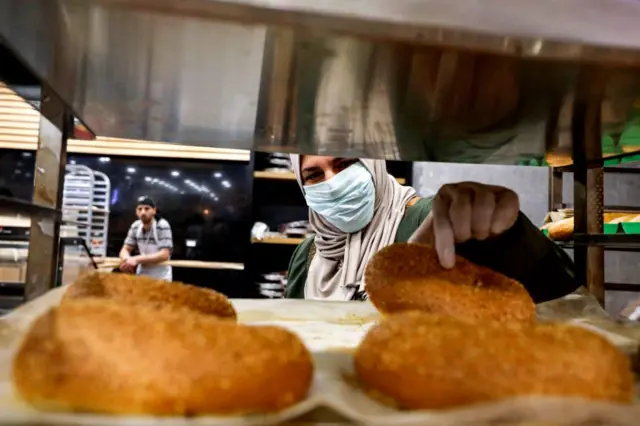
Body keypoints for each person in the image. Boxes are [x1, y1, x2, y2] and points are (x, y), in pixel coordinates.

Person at [285, 155, 578, 302]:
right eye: (313, 175)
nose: (333, 181)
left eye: (345, 163)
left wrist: (508, 234)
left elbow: (553, 292)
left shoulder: (429, 219)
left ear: (372, 162)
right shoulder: (306, 255)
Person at [119, 196, 173, 281]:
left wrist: (136, 259)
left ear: (154, 210)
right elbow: (125, 249)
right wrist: (127, 260)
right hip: (142, 274)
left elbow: (164, 254)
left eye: (147, 209)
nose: (143, 212)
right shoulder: (135, 226)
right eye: (140, 209)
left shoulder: (162, 225)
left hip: (161, 276)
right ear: (136, 212)